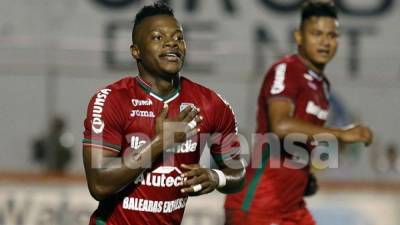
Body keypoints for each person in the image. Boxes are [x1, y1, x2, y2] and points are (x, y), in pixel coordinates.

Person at [82, 2, 245, 225]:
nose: (172, 43)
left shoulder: (211, 104)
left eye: (179, 37)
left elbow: (238, 172)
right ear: (135, 51)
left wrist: (216, 177)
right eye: (158, 37)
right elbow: (99, 185)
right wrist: (161, 141)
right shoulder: (112, 100)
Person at [224, 1, 373, 225]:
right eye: (317, 34)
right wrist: (341, 134)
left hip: (292, 206)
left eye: (332, 35)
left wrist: (303, 176)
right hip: (260, 203)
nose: (325, 41)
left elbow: (302, 140)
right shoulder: (286, 70)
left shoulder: (322, 85)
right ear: (299, 37)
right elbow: (281, 126)